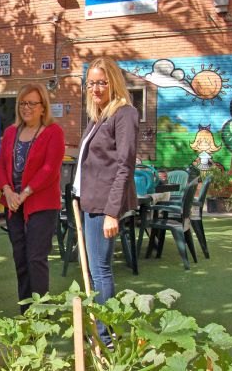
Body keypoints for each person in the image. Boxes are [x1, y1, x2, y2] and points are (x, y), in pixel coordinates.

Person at [73, 56, 138, 346]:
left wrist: (113, 212)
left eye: (102, 82)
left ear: (114, 82)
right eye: (91, 83)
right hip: (88, 203)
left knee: (100, 269)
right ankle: (101, 329)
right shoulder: (98, 116)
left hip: (103, 206)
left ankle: (106, 336)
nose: (96, 88)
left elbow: (125, 164)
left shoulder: (124, 114)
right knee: (92, 269)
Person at [0, 83, 64, 313]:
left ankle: (40, 312)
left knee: (36, 258)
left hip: (41, 205)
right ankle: (25, 311)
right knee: (20, 259)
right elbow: (1, 165)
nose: (27, 108)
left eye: (32, 103)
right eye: (23, 103)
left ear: (43, 107)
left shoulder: (54, 132)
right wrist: (7, 191)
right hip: (13, 204)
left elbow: (50, 169)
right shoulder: (11, 133)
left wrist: (24, 194)